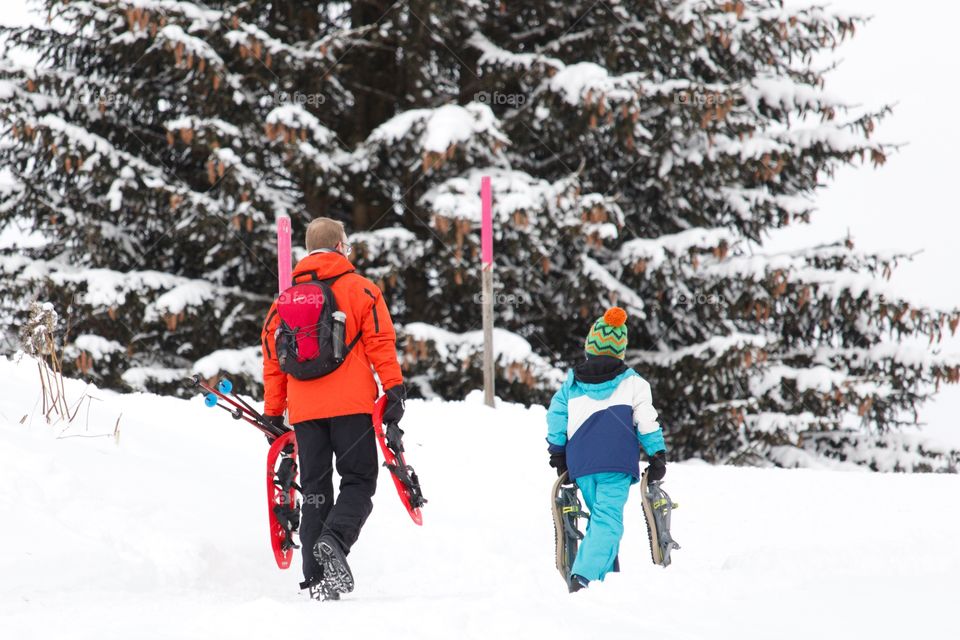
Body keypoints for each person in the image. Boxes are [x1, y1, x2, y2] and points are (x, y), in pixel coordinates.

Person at [260, 217, 406, 601]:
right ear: (341, 246)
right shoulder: (362, 289)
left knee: (314, 491)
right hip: (351, 408)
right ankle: (336, 541)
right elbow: (380, 342)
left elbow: (273, 361)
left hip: (305, 412)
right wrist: (393, 389)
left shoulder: (283, 303)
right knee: (359, 480)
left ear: (308, 252)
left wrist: (273, 414)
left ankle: (317, 579)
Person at [545, 306, 667, 591]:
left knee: (601, 520)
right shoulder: (634, 383)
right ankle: (584, 577)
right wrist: (657, 454)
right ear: (620, 352)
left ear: (590, 347)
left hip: (582, 465)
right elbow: (646, 421)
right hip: (616, 465)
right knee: (608, 521)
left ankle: (606, 578)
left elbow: (556, 418)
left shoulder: (571, 386)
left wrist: (558, 454)